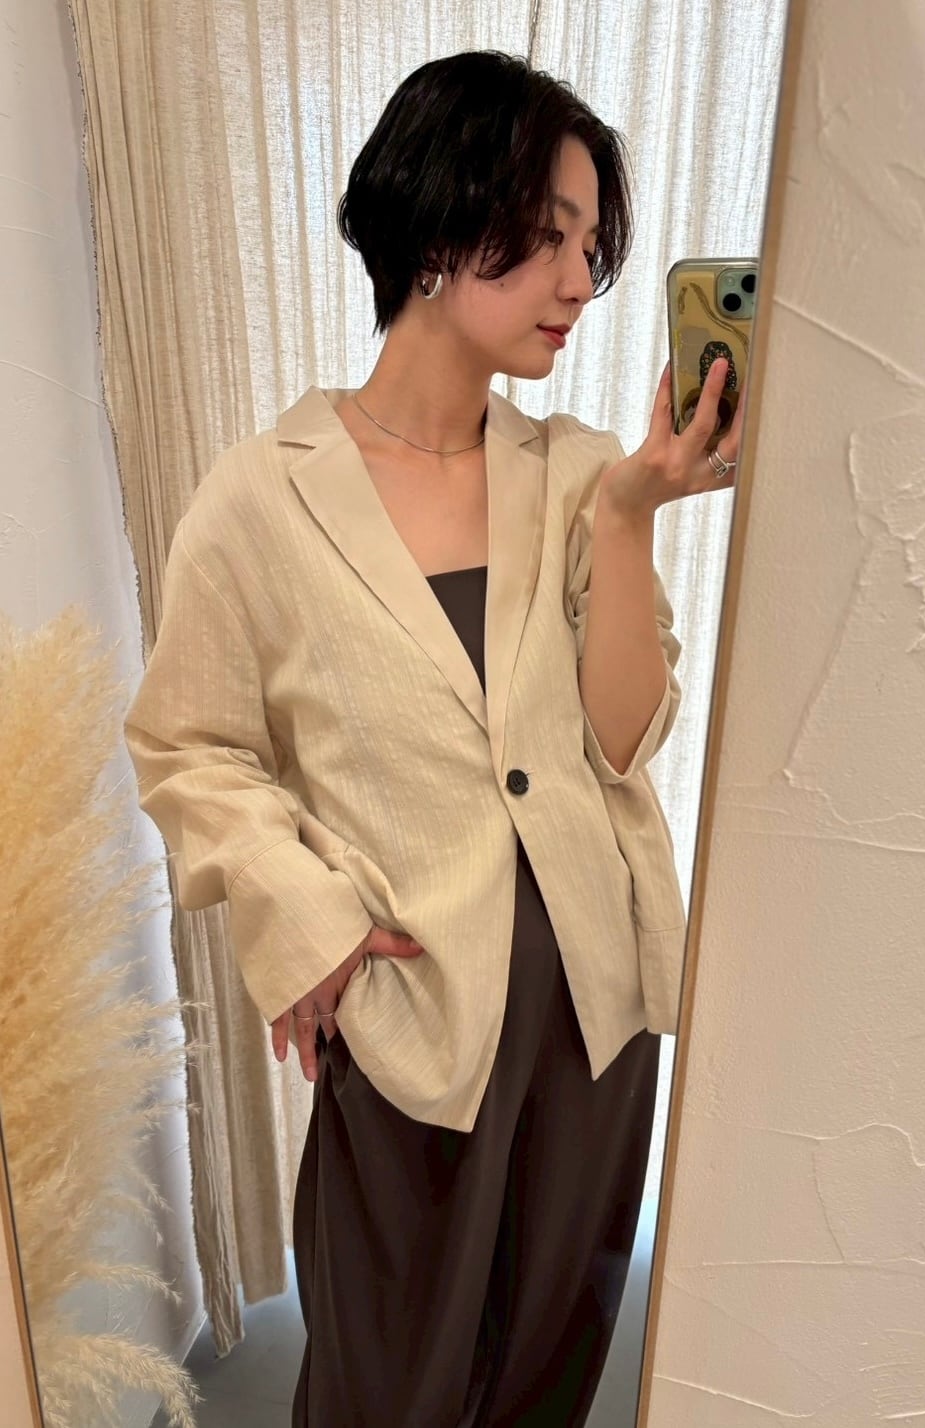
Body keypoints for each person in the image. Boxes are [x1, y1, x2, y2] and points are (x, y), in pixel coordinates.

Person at [124, 48, 741, 1428]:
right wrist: (307, 921)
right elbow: (188, 745)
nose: (579, 281)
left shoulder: (578, 473)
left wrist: (629, 516)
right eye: (549, 235)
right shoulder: (261, 501)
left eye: (591, 246)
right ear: (441, 221)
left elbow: (623, 740)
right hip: (414, 1018)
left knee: (545, 1371)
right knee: (382, 1383)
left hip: (595, 1015)